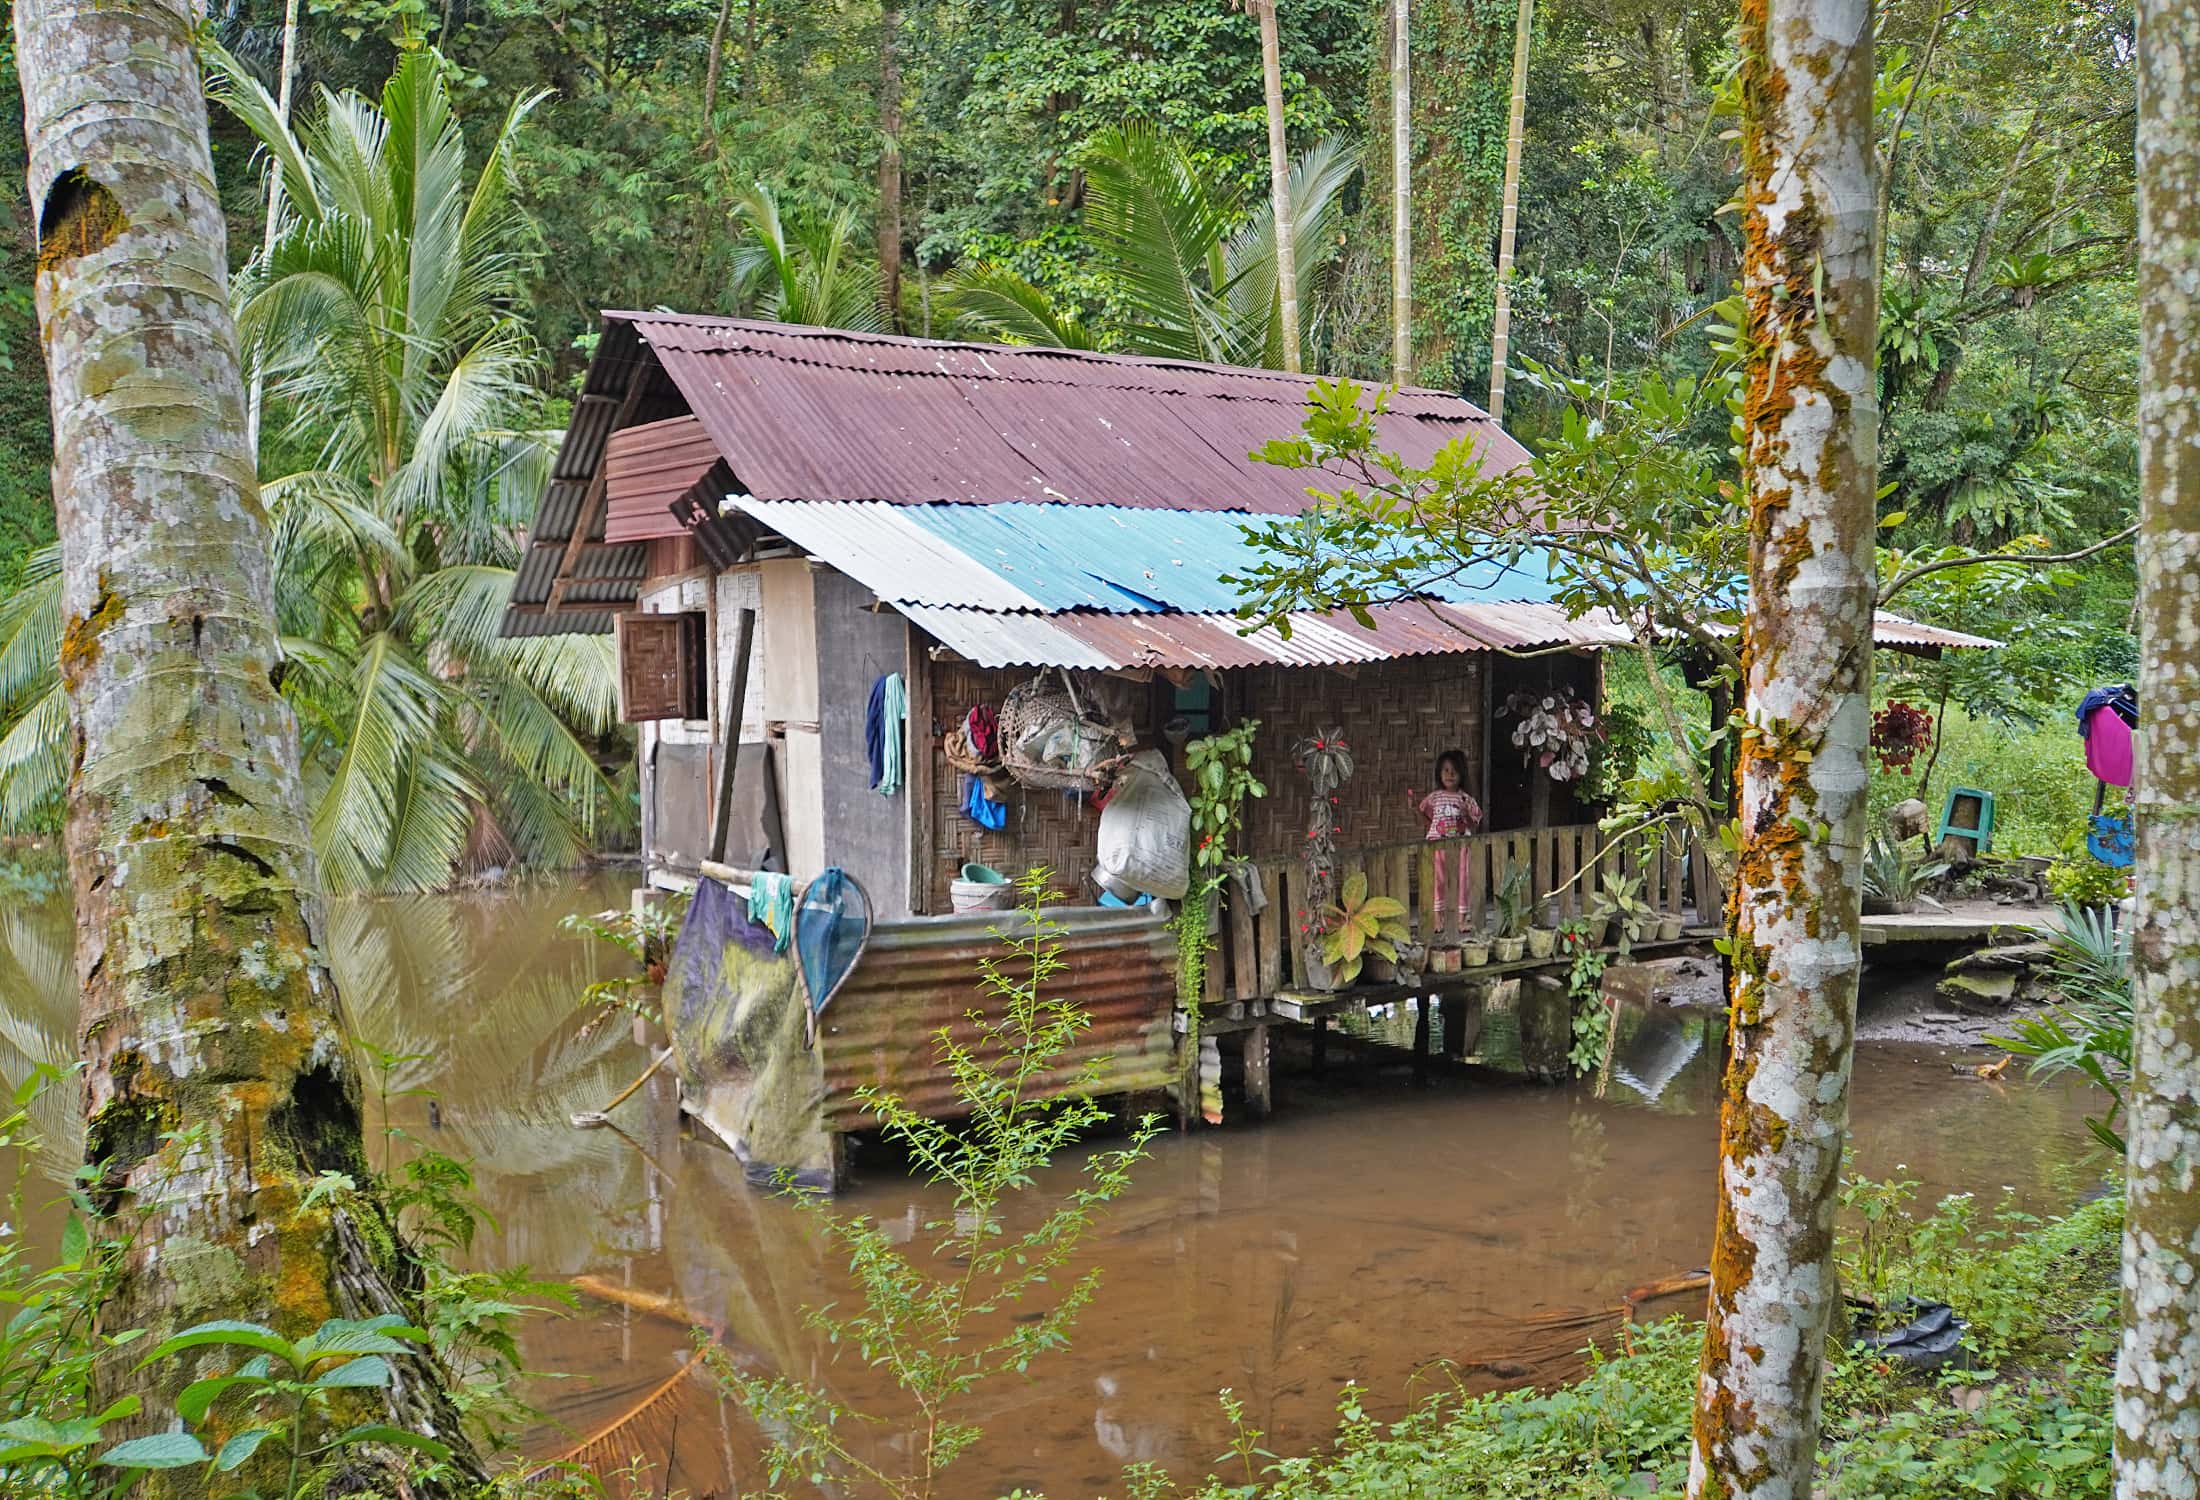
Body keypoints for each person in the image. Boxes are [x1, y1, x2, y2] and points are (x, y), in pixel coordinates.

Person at [1408, 750, 1484, 936]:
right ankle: (1437, 918)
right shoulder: (1434, 797)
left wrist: (1466, 813)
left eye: (1454, 771)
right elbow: (1425, 815)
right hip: (1437, 846)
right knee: (1438, 881)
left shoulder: (1465, 799)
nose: (1449, 775)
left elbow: (1476, 822)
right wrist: (1415, 810)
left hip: (1460, 847)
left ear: (1461, 774)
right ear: (1439, 774)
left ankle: (1461, 920)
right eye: (1446, 770)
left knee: (1462, 881)